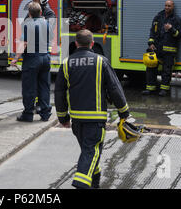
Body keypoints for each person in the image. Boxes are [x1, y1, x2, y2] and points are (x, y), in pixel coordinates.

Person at [55, 29, 130, 189]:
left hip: (77, 121)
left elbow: (60, 92)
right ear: (92, 44)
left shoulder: (66, 63)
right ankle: (81, 182)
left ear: (76, 43)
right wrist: (124, 111)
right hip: (95, 120)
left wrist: (63, 117)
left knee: (89, 152)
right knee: (92, 151)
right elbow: (114, 88)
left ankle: (94, 185)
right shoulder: (101, 61)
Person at [11, 2, 52, 122]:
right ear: (40, 12)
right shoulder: (47, 23)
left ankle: (28, 114)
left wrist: (15, 58)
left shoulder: (28, 24)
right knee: (44, 86)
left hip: (32, 59)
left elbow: (24, 43)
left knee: (29, 87)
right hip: (45, 58)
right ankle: (45, 113)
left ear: (29, 13)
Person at [142, 0, 181, 97]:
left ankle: (164, 89)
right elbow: (152, 31)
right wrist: (151, 43)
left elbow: (180, 35)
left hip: (169, 50)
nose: (167, 7)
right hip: (156, 48)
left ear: (173, 7)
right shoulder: (158, 17)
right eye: (166, 5)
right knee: (150, 68)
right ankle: (150, 88)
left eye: (169, 6)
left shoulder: (176, 20)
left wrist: (171, 29)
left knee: (166, 71)